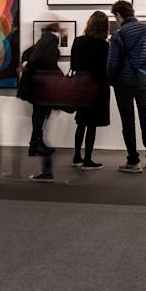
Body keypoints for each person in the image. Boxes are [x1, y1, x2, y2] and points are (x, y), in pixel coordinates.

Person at [107, 0, 146, 174]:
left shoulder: (119, 35)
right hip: (144, 83)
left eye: (115, 16)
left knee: (128, 122)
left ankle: (133, 162)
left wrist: (111, 81)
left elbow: (112, 64)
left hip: (123, 83)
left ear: (118, 14)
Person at [18, 22, 64, 182]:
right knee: (41, 128)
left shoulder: (42, 44)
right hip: (45, 93)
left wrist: (27, 65)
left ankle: (38, 151)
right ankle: (45, 167)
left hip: (40, 93)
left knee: (39, 126)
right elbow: (42, 61)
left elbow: (29, 55)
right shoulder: (50, 43)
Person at [70, 11, 111, 176]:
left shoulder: (78, 41)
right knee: (92, 124)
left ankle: (76, 156)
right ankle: (87, 159)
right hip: (97, 87)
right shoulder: (104, 45)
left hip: (81, 85)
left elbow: (73, 64)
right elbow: (106, 68)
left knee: (81, 122)